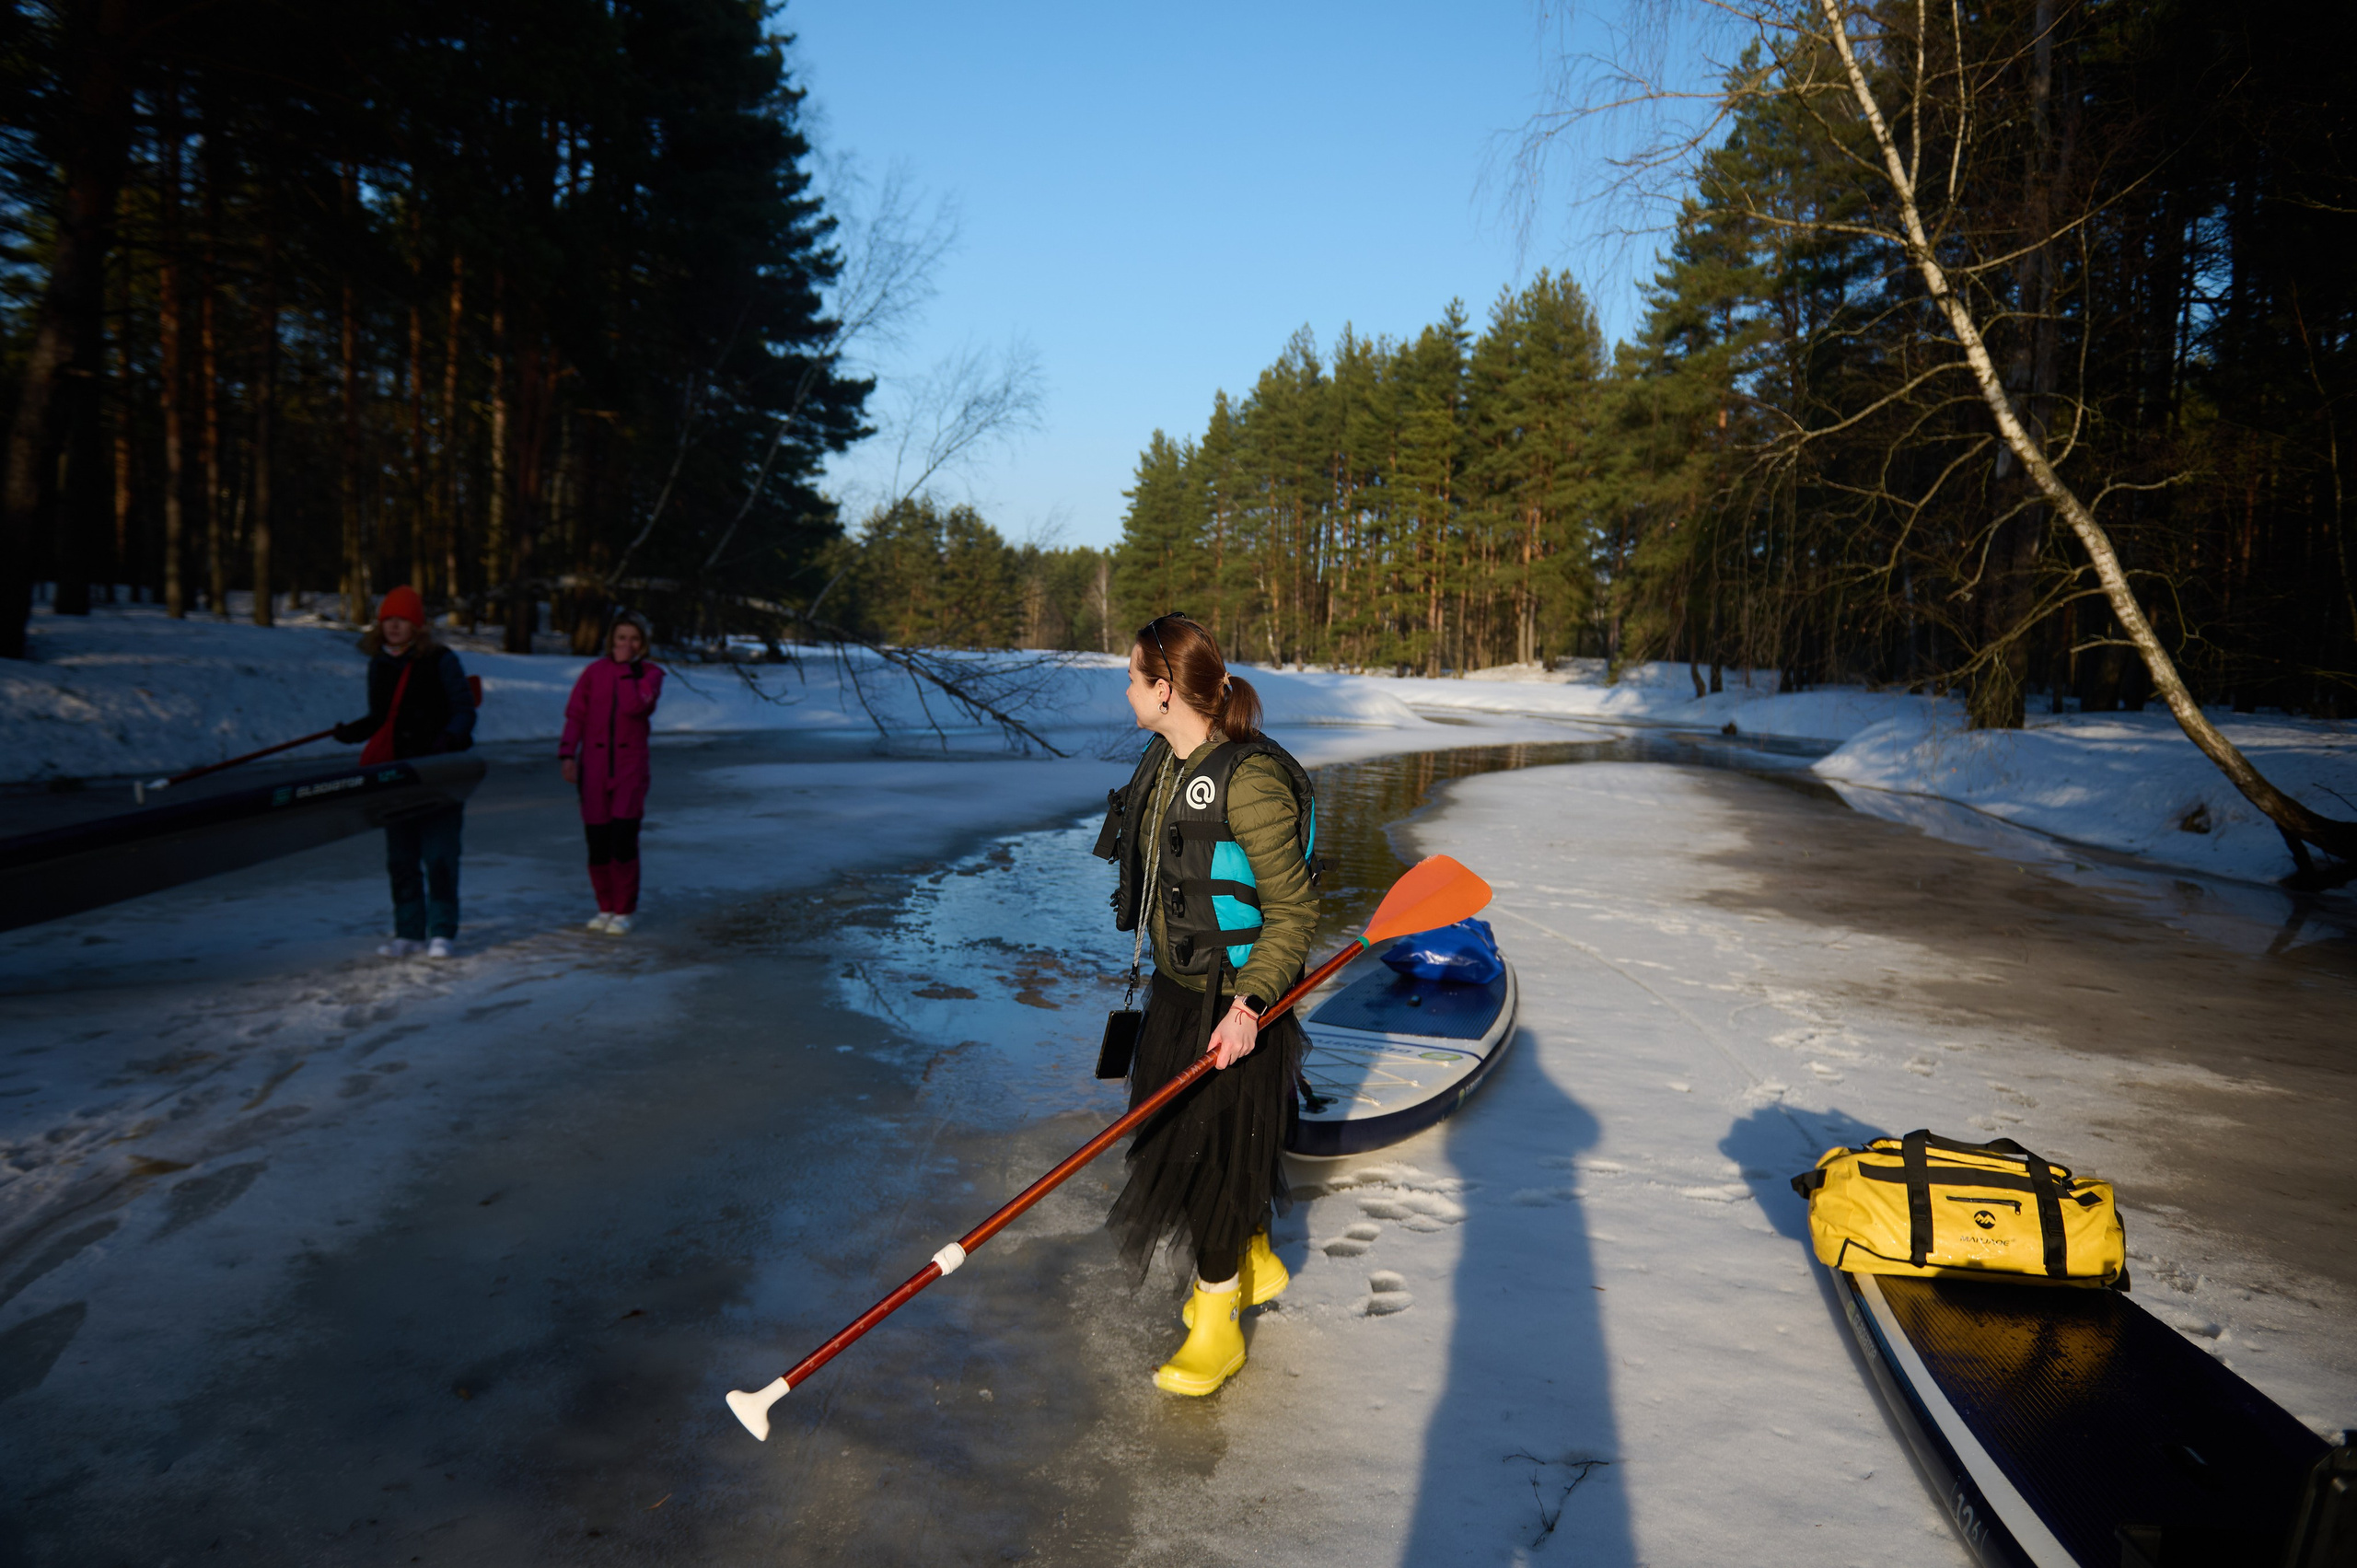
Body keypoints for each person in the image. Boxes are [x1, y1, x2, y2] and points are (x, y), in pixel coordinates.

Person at [1095, 613, 1319, 1397]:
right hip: (1175, 995)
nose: (1124, 688)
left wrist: (1251, 1005)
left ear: (1164, 690)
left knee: (1210, 1160)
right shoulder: (1164, 761)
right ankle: (1254, 1255)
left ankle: (1217, 1320)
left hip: (1236, 1010)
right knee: (1184, 1143)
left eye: (1132, 676)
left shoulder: (1249, 782)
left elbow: (1292, 913)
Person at [333, 586, 476, 958]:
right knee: (401, 857)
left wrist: (451, 737)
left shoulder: (441, 659)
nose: (395, 627)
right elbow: (382, 719)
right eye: (388, 620)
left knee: (440, 855)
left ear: (418, 625)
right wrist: (353, 732)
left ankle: (442, 930)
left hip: (437, 770)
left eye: (403, 620)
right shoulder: (379, 664)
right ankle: (409, 932)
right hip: (394, 772)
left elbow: (464, 708)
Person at [558, 610, 665, 935]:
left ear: (643, 643)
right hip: (593, 768)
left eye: (634, 639)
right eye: (621, 638)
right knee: (598, 842)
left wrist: (625, 670)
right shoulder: (593, 672)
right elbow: (576, 714)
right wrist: (567, 754)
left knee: (623, 840)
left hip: (630, 770)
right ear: (611, 640)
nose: (627, 644)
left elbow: (636, 707)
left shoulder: (650, 675)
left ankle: (624, 909)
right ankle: (604, 906)